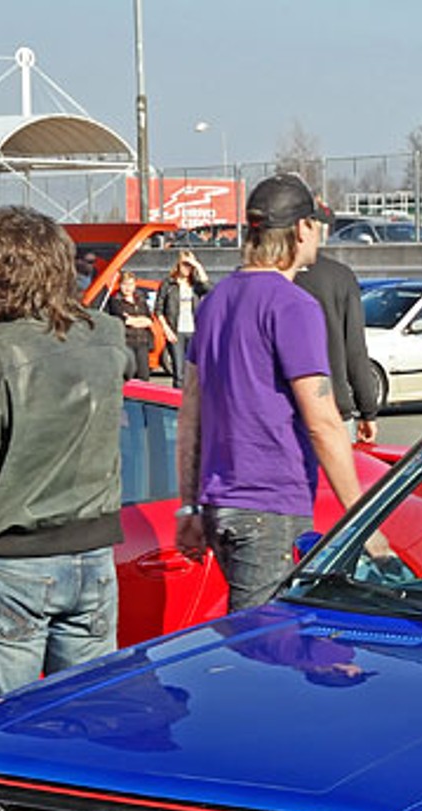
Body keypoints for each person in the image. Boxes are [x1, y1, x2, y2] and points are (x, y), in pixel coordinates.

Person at [0, 205, 129, 704]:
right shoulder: (105, 337)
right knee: (90, 715)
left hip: (13, 560)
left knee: (6, 723)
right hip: (93, 551)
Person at [176, 173, 378, 610]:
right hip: (269, 507)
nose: (318, 233)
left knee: (259, 633)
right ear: (302, 228)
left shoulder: (215, 301)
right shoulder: (293, 305)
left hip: (218, 505)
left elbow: (190, 413)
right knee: (266, 640)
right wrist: (363, 519)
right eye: (316, 224)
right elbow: (323, 422)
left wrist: (189, 508)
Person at [295, 224, 380, 444]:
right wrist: (368, 410)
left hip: (280, 413)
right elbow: (355, 350)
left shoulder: (258, 281)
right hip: (333, 408)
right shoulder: (339, 276)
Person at [154, 252, 210, 380]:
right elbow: (158, 309)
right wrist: (167, 330)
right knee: (179, 373)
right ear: (178, 265)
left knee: (194, 371)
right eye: (185, 264)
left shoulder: (195, 285)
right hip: (176, 331)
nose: (187, 268)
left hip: (194, 331)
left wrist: (198, 266)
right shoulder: (169, 284)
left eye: (190, 266)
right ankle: (178, 393)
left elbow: (209, 288)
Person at [106, 271, 156, 381]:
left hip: (142, 341)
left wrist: (134, 320)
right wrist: (139, 320)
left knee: (144, 376)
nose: (128, 287)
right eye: (125, 284)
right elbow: (125, 321)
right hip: (126, 342)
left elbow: (149, 320)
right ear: (120, 285)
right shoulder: (115, 301)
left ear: (135, 285)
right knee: (129, 374)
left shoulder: (141, 300)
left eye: (130, 284)